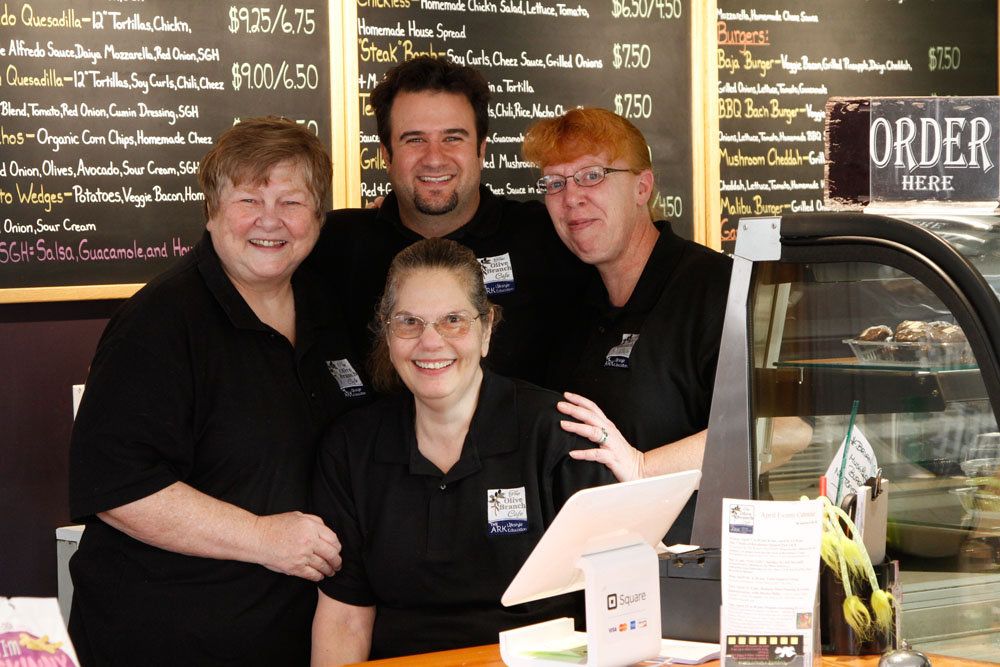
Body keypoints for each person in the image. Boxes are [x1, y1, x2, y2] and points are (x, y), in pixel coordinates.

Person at [68, 117, 370, 666]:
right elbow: (118, 487)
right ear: (211, 211)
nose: (270, 220)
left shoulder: (326, 309)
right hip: (167, 640)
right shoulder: (159, 322)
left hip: (290, 636)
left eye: (292, 202)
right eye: (248, 199)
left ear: (319, 217)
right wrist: (262, 537)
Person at [310, 238, 613, 663]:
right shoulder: (351, 449)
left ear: (486, 329)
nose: (430, 342)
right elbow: (345, 618)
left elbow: (614, 601)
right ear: (387, 332)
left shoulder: (557, 432)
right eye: (409, 322)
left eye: (453, 320)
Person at [306, 56, 589, 387]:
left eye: (453, 138)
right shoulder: (334, 243)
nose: (435, 158)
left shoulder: (548, 236)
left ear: (481, 151)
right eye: (414, 139)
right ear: (386, 155)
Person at [523, 108, 733, 543]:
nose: (571, 197)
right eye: (556, 183)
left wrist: (642, 466)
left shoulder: (714, 287)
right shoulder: (570, 299)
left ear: (643, 186)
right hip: (591, 566)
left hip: (690, 569)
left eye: (592, 175)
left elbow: (780, 430)